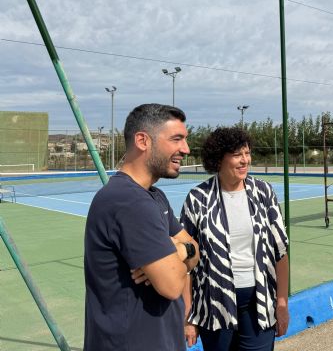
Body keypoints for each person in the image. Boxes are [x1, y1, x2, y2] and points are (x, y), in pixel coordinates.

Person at [84, 103, 200, 351]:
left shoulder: (153, 196)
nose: (186, 149)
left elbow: (194, 250)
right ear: (142, 141)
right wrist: (182, 252)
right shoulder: (128, 201)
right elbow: (171, 285)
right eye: (177, 139)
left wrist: (180, 251)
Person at [181, 126, 289, 351]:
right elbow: (186, 262)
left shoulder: (263, 193)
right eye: (237, 154)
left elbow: (280, 251)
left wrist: (281, 303)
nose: (245, 160)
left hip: (259, 302)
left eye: (247, 153)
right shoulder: (198, 199)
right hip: (214, 305)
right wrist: (189, 314)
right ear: (219, 159)